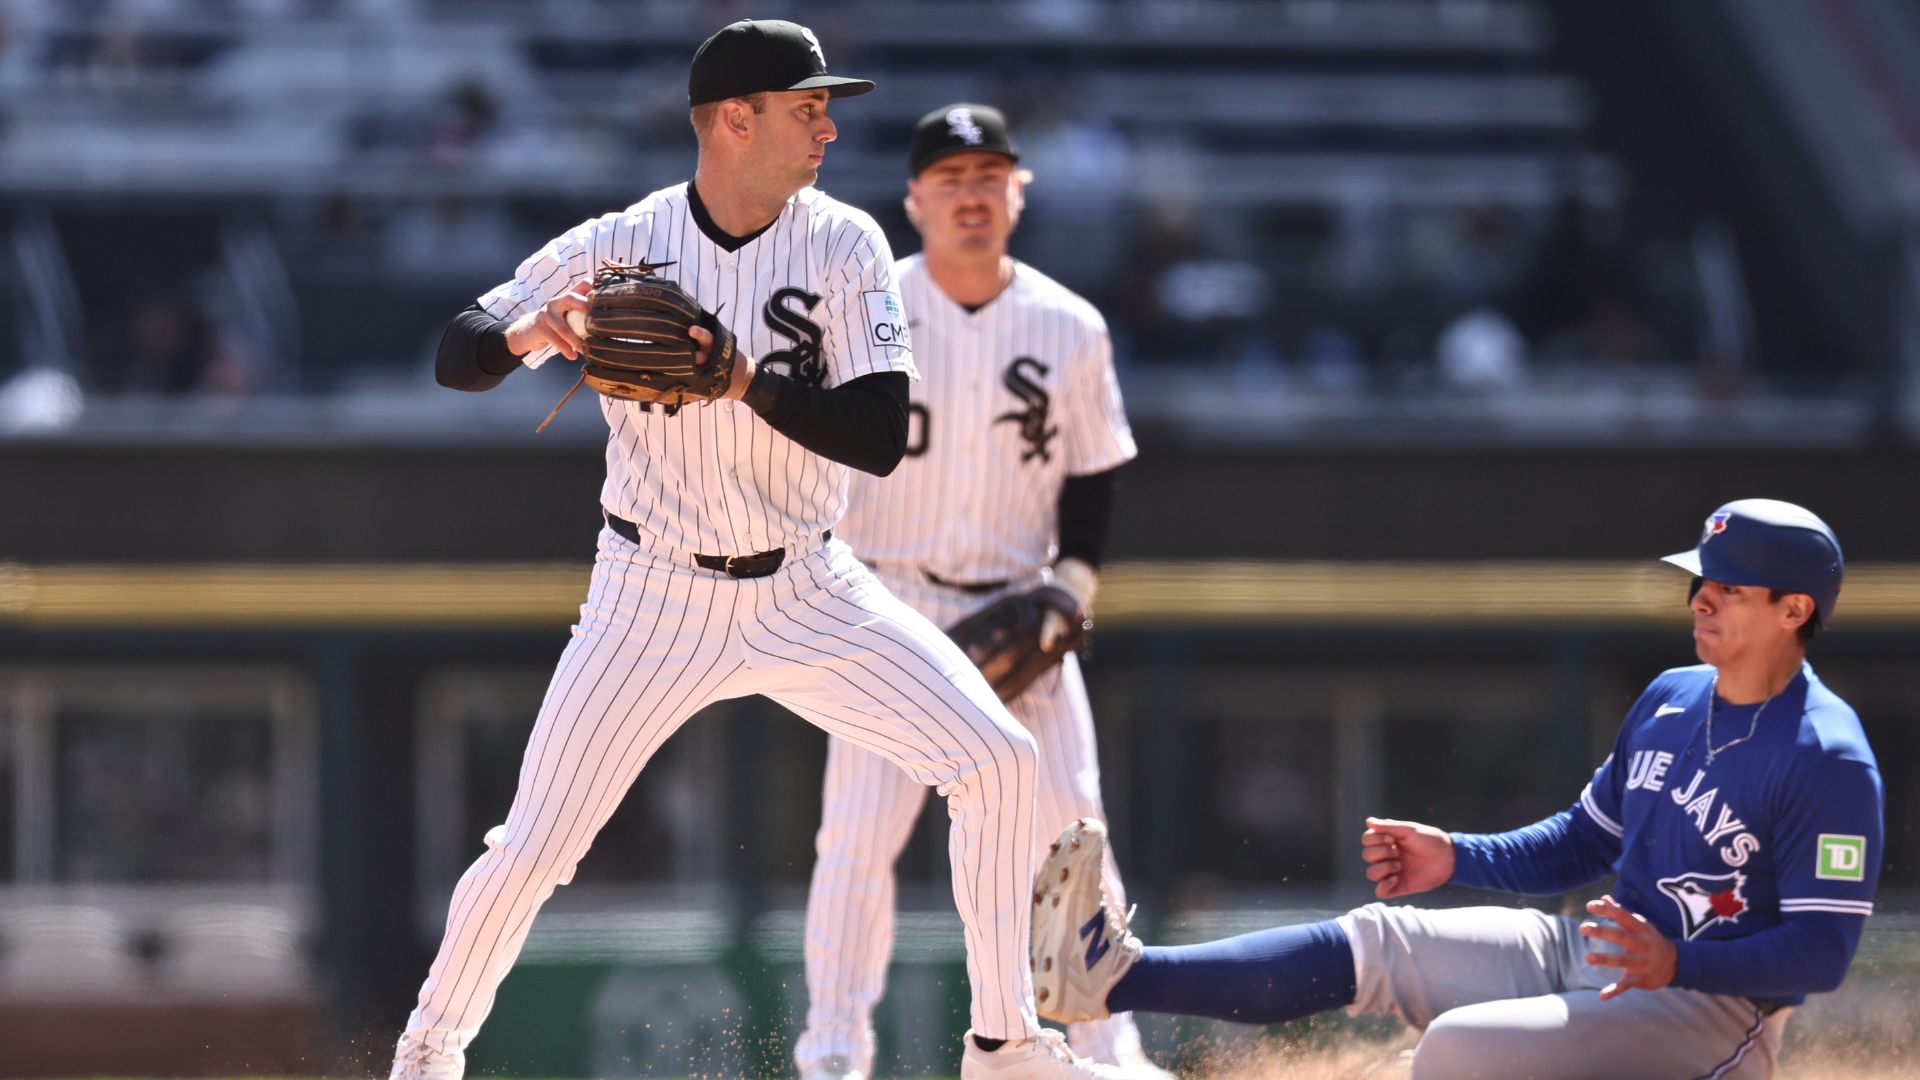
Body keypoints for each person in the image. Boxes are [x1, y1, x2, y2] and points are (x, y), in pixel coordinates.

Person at [402, 24, 1125, 1080]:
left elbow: (878, 436)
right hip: (650, 590)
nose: (830, 125)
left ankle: (1004, 1044)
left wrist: (745, 381)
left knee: (1000, 763)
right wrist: (528, 335)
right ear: (736, 120)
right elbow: (455, 353)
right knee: (535, 848)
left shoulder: (845, 244)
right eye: (807, 107)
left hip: (807, 585)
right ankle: (427, 1056)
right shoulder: (623, 240)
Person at [1029, 499, 1882, 1080]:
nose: (1700, 599)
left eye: (1728, 588)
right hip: (1599, 952)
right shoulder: (1671, 696)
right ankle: (1111, 977)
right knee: (1379, 941)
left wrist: (1679, 962)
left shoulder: (1828, 758)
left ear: (1794, 609)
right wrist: (1456, 855)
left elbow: (1824, 954)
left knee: (1460, 1050)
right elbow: (1583, 842)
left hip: (1709, 1007)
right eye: (1701, 581)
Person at [795, 104, 1162, 1080]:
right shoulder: (864, 306)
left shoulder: (1069, 324)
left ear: (1019, 194)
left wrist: (1073, 586)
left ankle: (1105, 1042)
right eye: (951, 181)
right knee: (857, 843)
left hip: (1019, 599)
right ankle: (834, 1048)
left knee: (1075, 834)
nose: (971, 197)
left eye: (989, 178)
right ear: (913, 200)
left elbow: (1092, 471)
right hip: (888, 606)